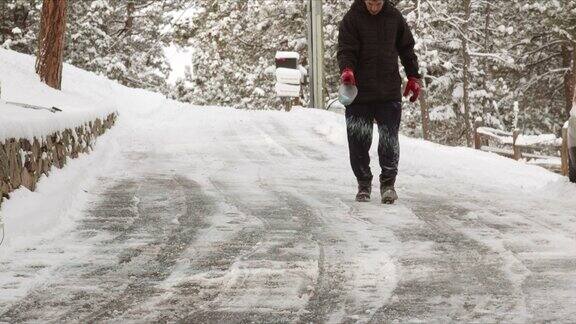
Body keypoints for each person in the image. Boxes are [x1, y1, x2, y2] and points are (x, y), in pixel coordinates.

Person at [337, 0, 421, 204]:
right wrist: (347, 69)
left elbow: (407, 49)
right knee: (358, 141)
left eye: (378, 3)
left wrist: (413, 77)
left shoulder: (394, 17)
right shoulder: (352, 19)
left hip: (388, 92)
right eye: (370, 3)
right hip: (359, 93)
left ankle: (388, 184)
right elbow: (346, 49)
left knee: (389, 140)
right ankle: (363, 183)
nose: (374, 7)